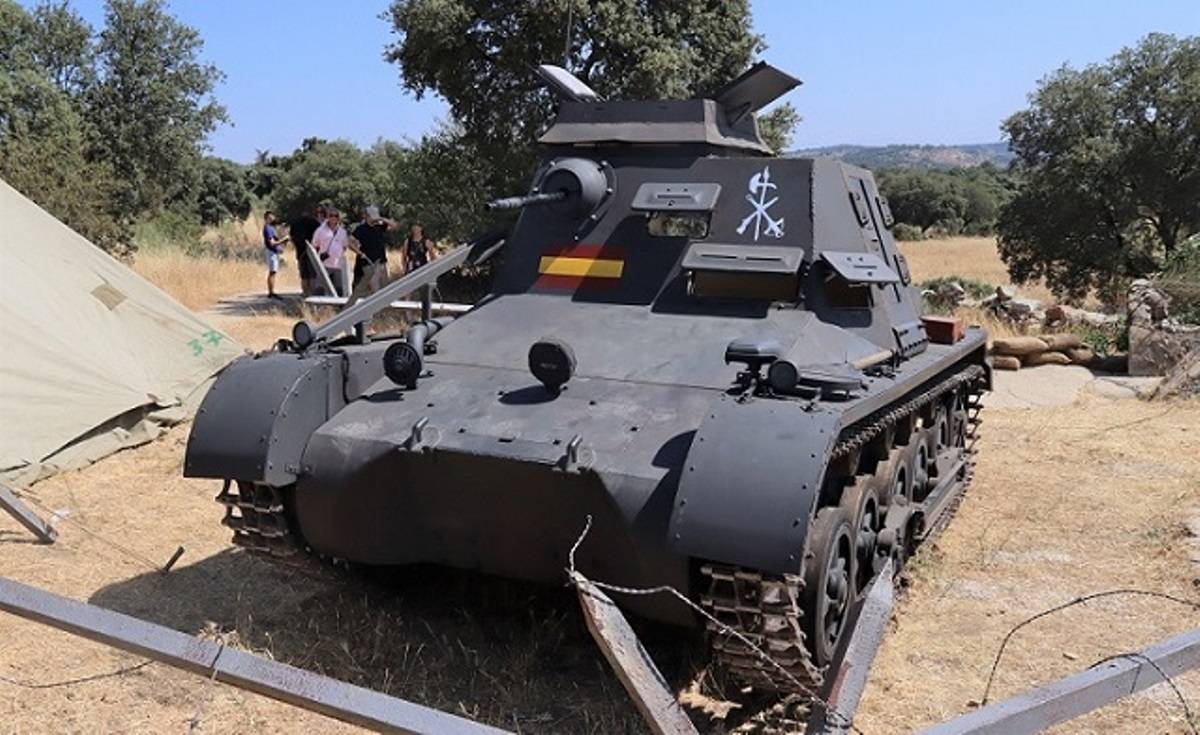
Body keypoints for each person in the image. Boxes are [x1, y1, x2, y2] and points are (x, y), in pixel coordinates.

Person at [347, 205, 399, 306]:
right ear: (366, 216)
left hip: (382, 263)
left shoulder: (379, 227)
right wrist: (359, 252)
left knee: (385, 287)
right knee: (376, 288)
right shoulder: (361, 229)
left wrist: (381, 218)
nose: (374, 218)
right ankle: (375, 311)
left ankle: (382, 310)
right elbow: (350, 241)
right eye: (371, 216)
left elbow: (395, 226)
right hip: (369, 263)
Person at [288, 204, 325, 296]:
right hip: (312, 252)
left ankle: (305, 293)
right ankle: (312, 293)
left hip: (300, 252)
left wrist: (297, 245)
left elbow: (292, 237)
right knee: (312, 274)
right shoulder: (315, 223)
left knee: (304, 274)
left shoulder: (295, 223)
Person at [311, 208, 349, 296]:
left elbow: (345, 246)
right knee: (320, 287)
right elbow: (314, 245)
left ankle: (339, 307)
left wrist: (338, 253)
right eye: (331, 215)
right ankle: (318, 306)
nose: (333, 218)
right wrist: (319, 256)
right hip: (324, 263)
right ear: (327, 217)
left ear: (338, 218)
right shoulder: (320, 230)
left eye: (336, 216)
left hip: (338, 264)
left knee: (339, 288)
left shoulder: (342, 232)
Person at [261, 211, 289, 300]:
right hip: (271, 251)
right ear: (266, 218)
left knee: (274, 271)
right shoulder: (267, 228)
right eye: (270, 217)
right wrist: (283, 240)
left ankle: (272, 291)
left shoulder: (271, 228)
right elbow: (272, 243)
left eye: (272, 216)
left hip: (274, 252)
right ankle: (271, 292)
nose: (272, 218)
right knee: (272, 271)